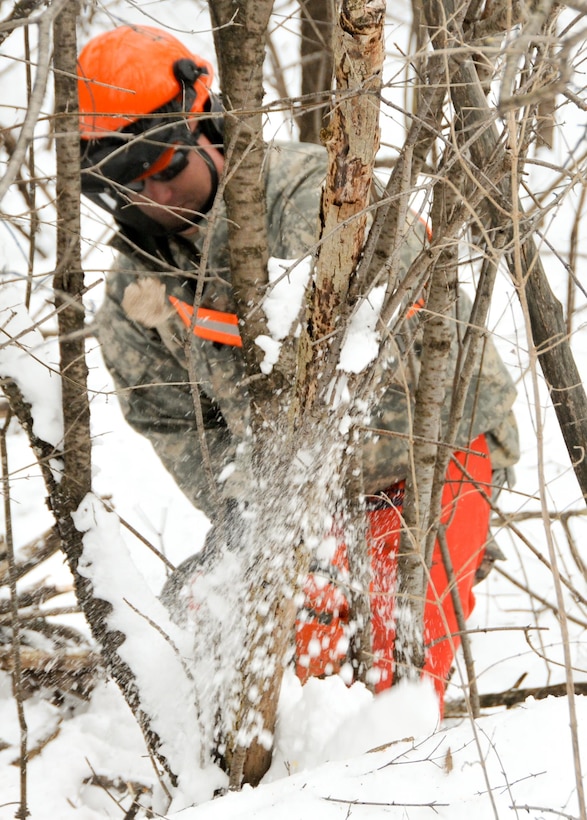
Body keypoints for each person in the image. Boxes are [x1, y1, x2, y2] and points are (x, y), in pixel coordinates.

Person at [77, 25, 520, 706]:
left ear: (206, 127)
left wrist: (315, 507)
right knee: (209, 626)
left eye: (165, 168)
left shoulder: (311, 198)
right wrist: (258, 508)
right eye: (128, 183)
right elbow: (174, 424)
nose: (155, 196)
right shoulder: (133, 298)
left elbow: (391, 352)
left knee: (388, 669)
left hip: (429, 446)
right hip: (292, 487)